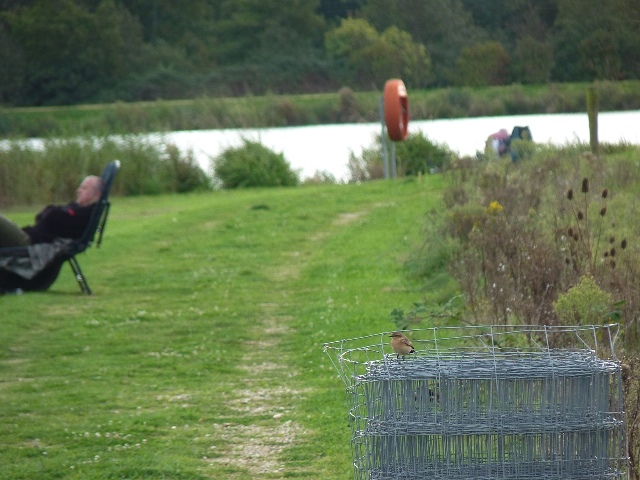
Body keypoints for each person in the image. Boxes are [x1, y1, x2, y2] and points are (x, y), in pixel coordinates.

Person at [0, 175, 104, 249]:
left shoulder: (84, 215)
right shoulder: (77, 208)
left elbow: (51, 215)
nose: (78, 190)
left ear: (97, 194)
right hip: (29, 236)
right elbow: (45, 215)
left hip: (29, 243)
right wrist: (51, 213)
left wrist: (51, 213)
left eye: (84, 188)